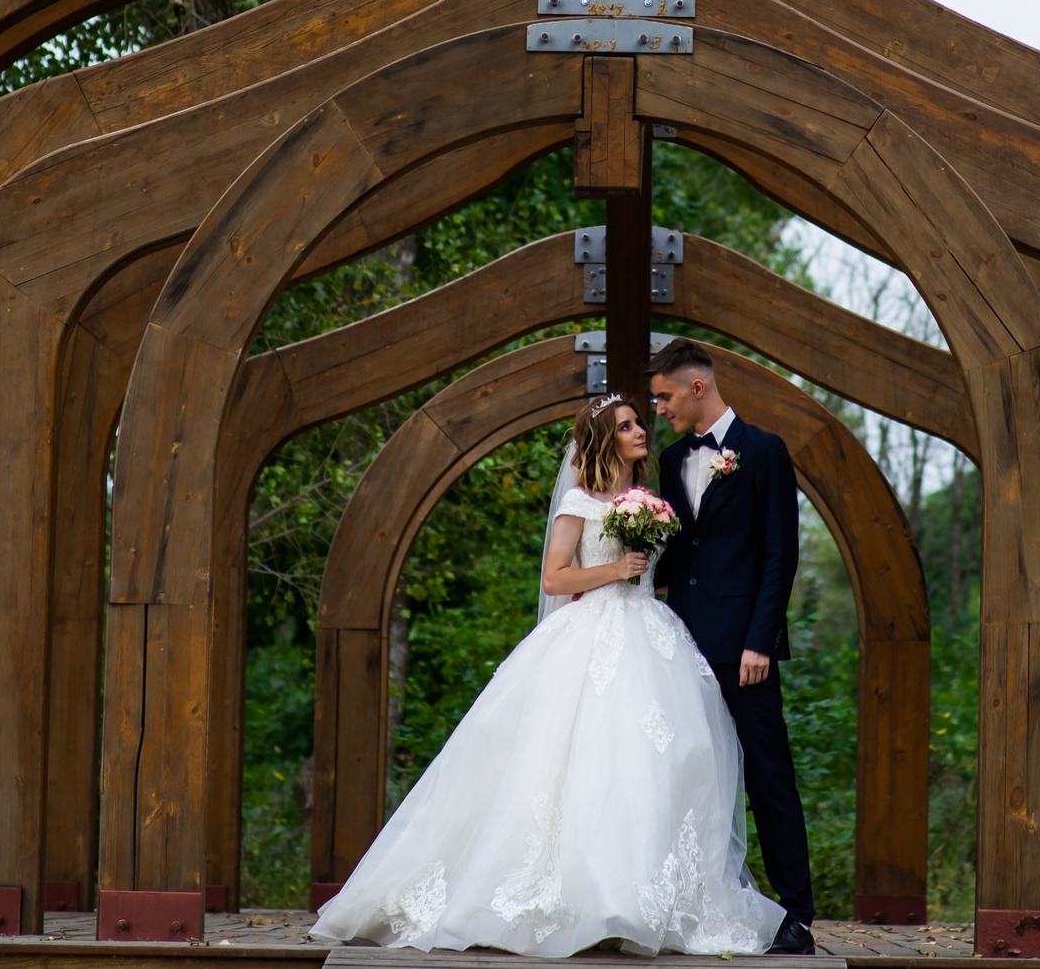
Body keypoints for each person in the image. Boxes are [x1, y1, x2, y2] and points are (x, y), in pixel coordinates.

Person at [309, 391, 784, 956]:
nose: (640, 430)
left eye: (639, 422)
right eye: (627, 425)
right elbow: (555, 579)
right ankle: (573, 899)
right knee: (573, 764)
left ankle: (640, 902)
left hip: (653, 637)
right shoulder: (579, 502)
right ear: (605, 439)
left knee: (655, 765)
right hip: (590, 634)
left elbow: (663, 571)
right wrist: (617, 568)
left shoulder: (651, 500)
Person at [649, 338, 817, 956]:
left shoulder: (764, 451)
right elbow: (679, 555)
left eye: (664, 396)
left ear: (697, 388)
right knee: (689, 775)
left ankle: (797, 915)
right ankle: (690, 905)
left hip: (744, 651)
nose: (660, 408)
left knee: (768, 775)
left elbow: (780, 554)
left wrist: (760, 642)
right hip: (679, 646)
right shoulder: (671, 460)